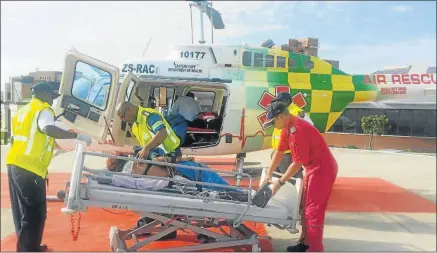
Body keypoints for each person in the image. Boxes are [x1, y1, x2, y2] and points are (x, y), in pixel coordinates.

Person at [6, 82, 92, 252]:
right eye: (51, 96)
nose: (52, 100)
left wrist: (55, 148)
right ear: (43, 93)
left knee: (22, 211)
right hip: (30, 168)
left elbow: (29, 137)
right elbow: (47, 129)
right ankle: (29, 249)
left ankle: (28, 246)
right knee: (35, 213)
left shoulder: (23, 111)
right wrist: (75, 136)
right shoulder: (43, 109)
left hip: (15, 163)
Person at [262, 102, 338, 252]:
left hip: (322, 169)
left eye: (273, 122)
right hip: (311, 168)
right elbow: (279, 152)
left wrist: (280, 183)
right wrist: (270, 172)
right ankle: (305, 243)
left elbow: (297, 162)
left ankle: (315, 248)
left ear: (281, 116)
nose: (272, 125)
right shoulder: (287, 127)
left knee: (313, 210)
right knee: (305, 209)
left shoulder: (298, 130)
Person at [115, 101, 182, 161]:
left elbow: (162, 133)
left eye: (123, 116)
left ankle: (178, 160)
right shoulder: (135, 127)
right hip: (155, 153)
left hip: (170, 153)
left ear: (129, 110)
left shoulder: (149, 116)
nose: (124, 120)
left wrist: (146, 148)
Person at [269, 92, 308, 178]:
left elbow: (308, 128)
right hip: (278, 151)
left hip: (288, 153)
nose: (277, 103)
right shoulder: (281, 111)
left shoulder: (296, 112)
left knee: (291, 179)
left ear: (287, 101)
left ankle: (298, 192)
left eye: (280, 101)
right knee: (277, 178)